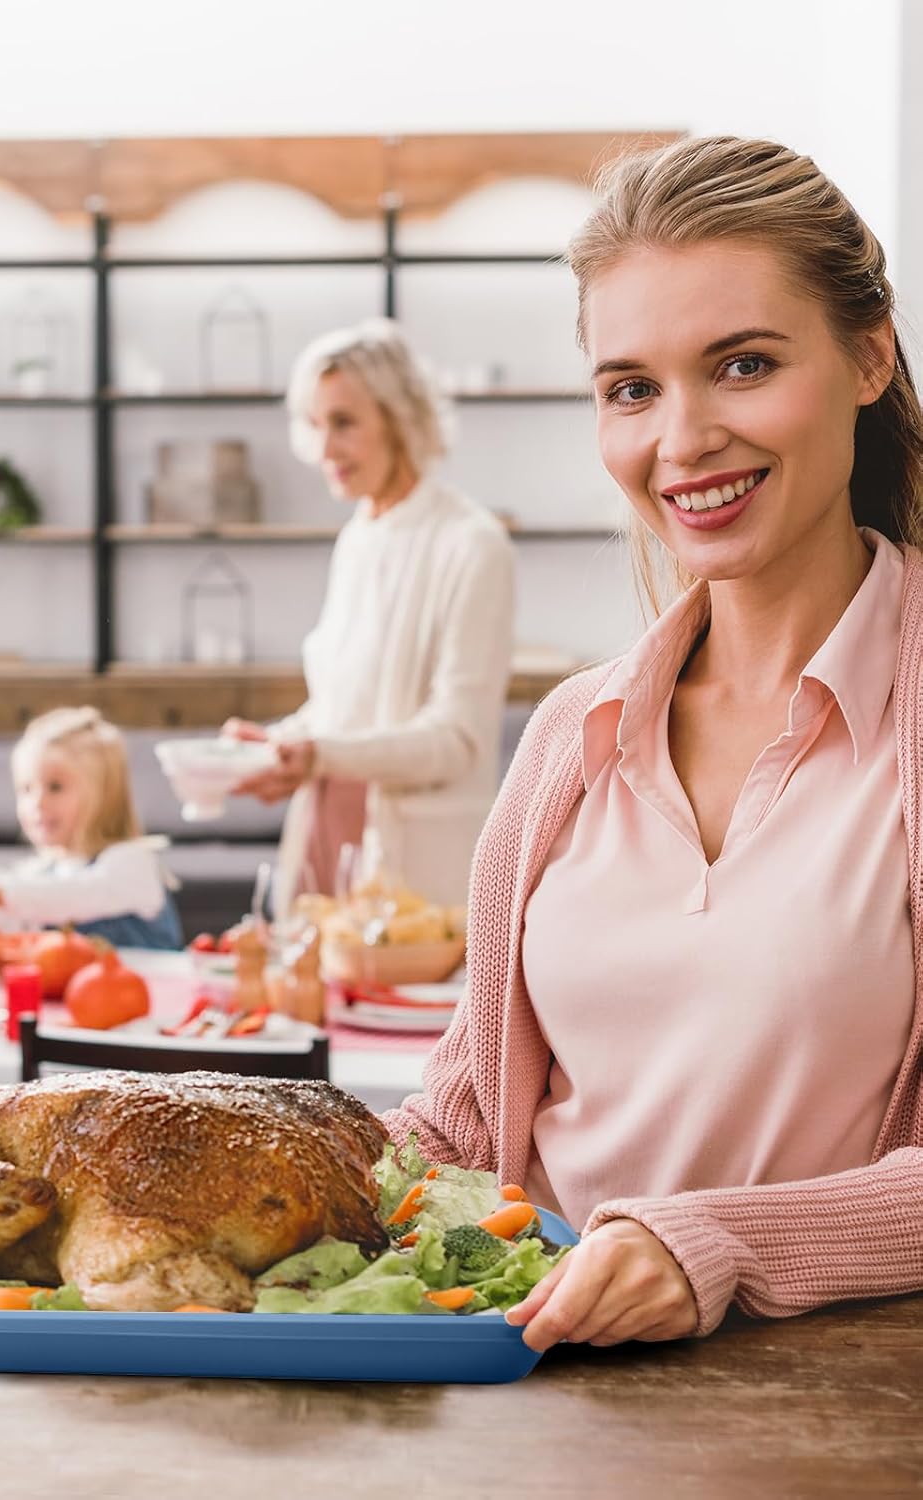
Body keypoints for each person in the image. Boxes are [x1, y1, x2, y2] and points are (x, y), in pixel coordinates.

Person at [384, 136, 923, 1352]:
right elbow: (461, 1129)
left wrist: (716, 1246)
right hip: (529, 1409)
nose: (682, 439)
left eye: (741, 365)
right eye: (631, 388)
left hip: (839, 1430)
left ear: (869, 355)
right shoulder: (574, 737)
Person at [223, 318, 515, 911]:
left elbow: (457, 740)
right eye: (315, 424)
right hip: (330, 837)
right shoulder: (358, 537)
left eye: (344, 423)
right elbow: (344, 708)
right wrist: (279, 745)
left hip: (418, 872)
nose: (324, 450)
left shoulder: (472, 543)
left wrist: (320, 754)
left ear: (400, 416)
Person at [0, 705, 183, 949]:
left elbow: (74, 896)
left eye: (55, 787)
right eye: (26, 789)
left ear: (103, 794)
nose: (37, 803)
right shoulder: (40, 873)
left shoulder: (132, 863)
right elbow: (6, 939)